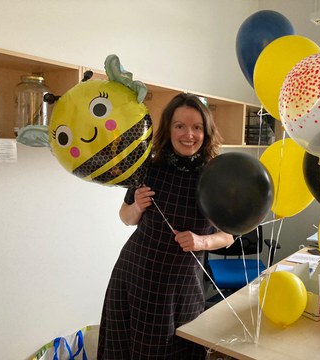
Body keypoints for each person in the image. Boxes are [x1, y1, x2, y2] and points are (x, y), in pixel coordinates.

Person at [97, 93, 234, 359]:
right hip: (136, 275)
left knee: (176, 349)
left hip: (182, 286)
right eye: (179, 126)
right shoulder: (150, 167)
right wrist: (136, 205)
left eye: (196, 127)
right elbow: (126, 218)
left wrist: (202, 242)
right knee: (125, 349)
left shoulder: (215, 177)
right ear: (169, 129)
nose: (188, 135)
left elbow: (228, 236)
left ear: (206, 131)